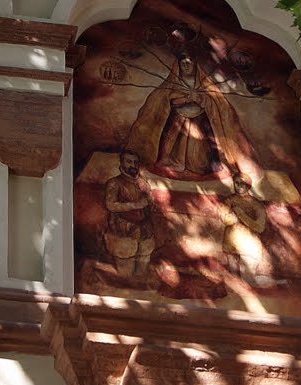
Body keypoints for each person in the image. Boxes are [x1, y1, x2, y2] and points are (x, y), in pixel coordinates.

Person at [126, 53, 256, 181]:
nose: (186, 66)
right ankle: (171, 162)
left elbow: (215, 101)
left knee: (201, 146)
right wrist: (182, 98)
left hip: (199, 118)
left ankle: (203, 166)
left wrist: (201, 98)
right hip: (177, 118)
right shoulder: (174, 82)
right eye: (183, 64)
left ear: (194, 66)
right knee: (170, 141)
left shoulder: (204, 83)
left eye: (188, 63)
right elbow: (164, 98)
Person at [102, 150, 156, 278]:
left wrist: (150, 203)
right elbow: (110, 205)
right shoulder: (114, 183)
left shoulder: (143, 182)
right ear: (122, 162)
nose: (133, 165)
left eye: (135, 162)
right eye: (129, 161)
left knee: (142, 272)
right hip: (123, 231)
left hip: (144, 230)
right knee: (125, 273)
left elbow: (150, 202)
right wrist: (134, 205)